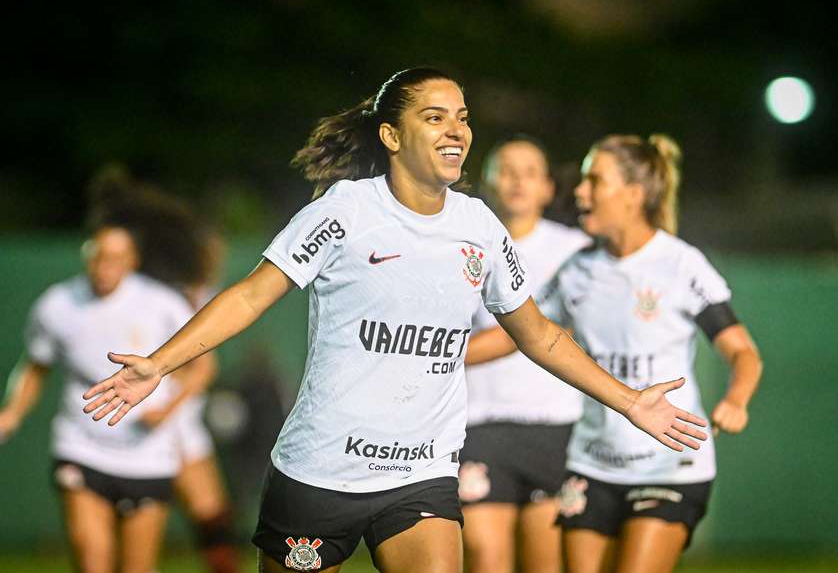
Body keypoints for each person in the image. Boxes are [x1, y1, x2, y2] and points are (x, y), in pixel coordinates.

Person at [81, 68, 709, 573]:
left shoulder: (478, 227)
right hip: (320, 473)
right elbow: (250, 295)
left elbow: (540, 335)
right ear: (390, 135)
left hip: (422, 475)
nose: (455, 129)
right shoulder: (347, 211)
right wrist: (159, 364)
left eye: (462, 116)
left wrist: (630, 402)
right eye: (434, 117)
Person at [535, 134, 761, 572]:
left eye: (594, 181)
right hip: (592, 462)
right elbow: (523, 333)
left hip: (669, 465)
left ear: (634, 195)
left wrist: (737, 399)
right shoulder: (576, 271)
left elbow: (743, 351)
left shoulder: (680, 264)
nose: (580, 192)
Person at [0, 224, 204, 573]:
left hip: (148, 453)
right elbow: (35, 367)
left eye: (115, 258)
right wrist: (11, 413)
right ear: (87, 257)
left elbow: (201, 367)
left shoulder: (162, 304)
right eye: (98, 256)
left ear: (132, 261)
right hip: (81, 447)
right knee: (92, 562)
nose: (105, 266)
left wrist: (168, 409)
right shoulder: (58, 304)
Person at [90, 172, 241, 573]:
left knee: (212, 518)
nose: (215, 249)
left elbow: (201, 369)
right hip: (147, 418)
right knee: (146, 539)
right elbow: (197, 367)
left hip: (173, 416)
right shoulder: (161, 299)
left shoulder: (188, 294)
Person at [459, 135, 590, 573]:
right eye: (506, 170)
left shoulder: (575, 251)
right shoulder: (461, 242)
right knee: (483, 553)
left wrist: (439, 355)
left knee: (545, 560)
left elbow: (546, 332)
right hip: (480, 421)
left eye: (530, 172)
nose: (518, 181)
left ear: (549, 188)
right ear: (486, 182)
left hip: (553, 424)